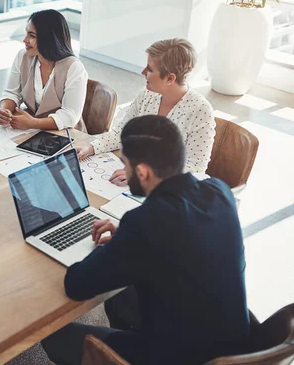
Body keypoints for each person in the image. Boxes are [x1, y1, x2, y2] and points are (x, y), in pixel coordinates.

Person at [41, 115, 249, 365]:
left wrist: (123, 241)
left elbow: (76, 284)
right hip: (236, 346)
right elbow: (184, 238)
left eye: (125, 165)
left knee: (54, 336)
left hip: (183, 359)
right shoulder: (219, 191)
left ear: (142, 172)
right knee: (123, 297)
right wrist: (128, 237)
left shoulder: (145, 223)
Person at [78, 38, 215, 186]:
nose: (142, 72)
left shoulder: (201, 111)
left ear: (170, 78)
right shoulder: (147, 95)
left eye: (150, 69)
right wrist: (92, 147)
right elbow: (120, 134)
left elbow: (196, 168)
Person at [0, 9, 88, 131]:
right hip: (32, 131)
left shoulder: (74, 68)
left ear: (49, 39)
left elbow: (70, 116)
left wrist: (33, 123)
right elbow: (12, 93)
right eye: (26, 34)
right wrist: (5, 110)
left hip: (65, 134)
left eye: (32, 36)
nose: (25, 40)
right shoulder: (23, 56)